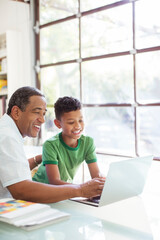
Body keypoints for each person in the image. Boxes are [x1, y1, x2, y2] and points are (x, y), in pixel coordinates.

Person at [0, 86, 105, 203]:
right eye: (37, 112)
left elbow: (13, 168)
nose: (42, 120)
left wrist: (39, 158)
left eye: (44, 114)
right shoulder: (7, 136)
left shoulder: (7, 131)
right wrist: (80, 190)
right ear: (16, 112)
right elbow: (21, 190)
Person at [33, 96, 103, 185]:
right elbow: (54, 182)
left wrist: (102, 181)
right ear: (58, 124)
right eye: (71, 122)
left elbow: (96, 175)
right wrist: (83, 189)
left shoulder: (88, 143)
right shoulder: (50, 145)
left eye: (81, 120)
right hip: (43, 190)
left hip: (66, 190)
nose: (78, 126)